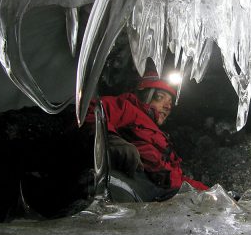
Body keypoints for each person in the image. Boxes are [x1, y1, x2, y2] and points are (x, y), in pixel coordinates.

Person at [87, 71, 209, 201]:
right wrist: (112, 140)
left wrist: (210, 192)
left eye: (170, 102)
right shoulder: (128, 108)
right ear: (146, 95)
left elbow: (176, 179)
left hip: (161, 191)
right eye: (160, 97)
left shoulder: (160, 135)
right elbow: (92, 111)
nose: (168, 106)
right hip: (135, 180)